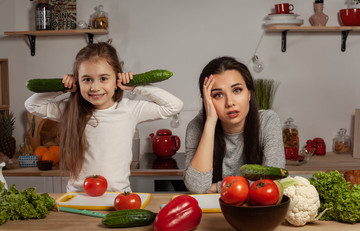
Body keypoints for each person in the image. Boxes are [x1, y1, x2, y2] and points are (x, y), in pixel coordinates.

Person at [25, 42, 183, 192]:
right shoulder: (70, 109)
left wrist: (136, 85)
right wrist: (62, 87)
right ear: (77, 82)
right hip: (78, 196)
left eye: (103, 79)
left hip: (117, 196)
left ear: (117, 80)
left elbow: (174, 105)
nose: (95, 87)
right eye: (87, 79)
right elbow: (32, 105)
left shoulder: (129, 109)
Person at [183, 56, 285, 194]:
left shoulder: (268, 121)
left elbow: (273, 179)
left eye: (237, 90)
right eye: (218, 95)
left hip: (256, 207)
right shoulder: (197, 127)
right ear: (207, 100)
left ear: (249, 93)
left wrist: (215, 187)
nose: (230, 102)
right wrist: (210, 122)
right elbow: (197, 186)